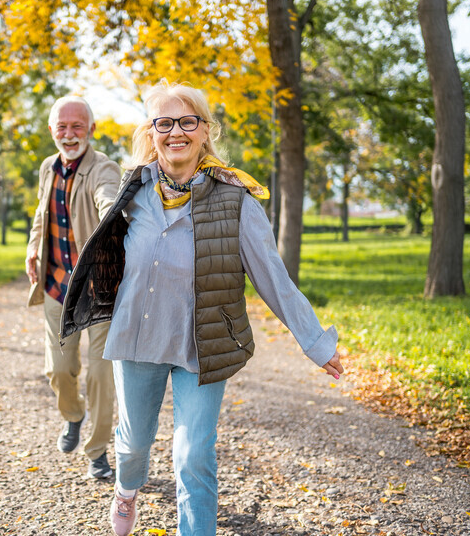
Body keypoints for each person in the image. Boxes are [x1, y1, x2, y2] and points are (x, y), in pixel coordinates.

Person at [61, 82, 344, 535]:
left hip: (203, 344)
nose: (176, 132)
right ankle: (126, 490)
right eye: (164, 123)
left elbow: (273, 277)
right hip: (138, 337)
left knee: (194, 455)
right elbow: (104, 245)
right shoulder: (134, 191)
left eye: (187, 121)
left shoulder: (236, 200)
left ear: (205, 130)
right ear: (151, 133)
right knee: (133, 445)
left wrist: (314, 341)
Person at [25, 96, 122, 479]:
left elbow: (106, 197)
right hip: (56, 286)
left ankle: (97, 451)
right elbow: (41, 213)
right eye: (62, 127)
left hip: (97, 291)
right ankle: (73, 415)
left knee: (100, 376)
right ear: (52, 130)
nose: (69, 134)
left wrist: (112, 214)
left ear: (91, 129)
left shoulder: (104, 167)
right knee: (59, 370)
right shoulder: (47, 167)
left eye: (77, 126)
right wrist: (33, 248)